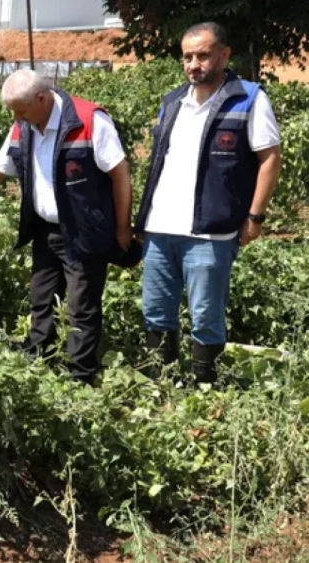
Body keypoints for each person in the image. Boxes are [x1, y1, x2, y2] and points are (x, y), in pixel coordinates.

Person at [0, 69, 134, 386]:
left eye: (20, 110)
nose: (16, 117)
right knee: (42, 300)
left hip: (85, 230)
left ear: (42, 99)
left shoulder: (89, 121)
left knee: (81, 307)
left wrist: (122, 226)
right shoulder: (23, 125)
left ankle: (80, 379)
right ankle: (38, 367)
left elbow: (120, 174)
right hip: (46, 230)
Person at [134, 23, 282, 384]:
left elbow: (270, 158)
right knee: (155, 311)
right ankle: (160, 387)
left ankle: (204, 389)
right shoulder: (172, 102)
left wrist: (255, 216)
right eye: (187, 57)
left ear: (224, 54)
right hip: (159, 228)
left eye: (202, 55)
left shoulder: (247, 98)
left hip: (210, 231)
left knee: (205, 314)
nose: (194, 64)